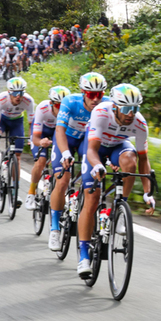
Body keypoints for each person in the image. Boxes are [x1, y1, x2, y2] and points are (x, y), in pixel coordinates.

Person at [75, 83, 154, 277]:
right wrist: (98, 166)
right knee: (92, 199)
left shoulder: (140, 122)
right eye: (127, 109)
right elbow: (91, 150)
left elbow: (144, 160)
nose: (131, 114)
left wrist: (148, 193)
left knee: (130, 161)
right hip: (96, 148)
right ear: (115, 106)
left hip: (118, 145)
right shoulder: (101, 112)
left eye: (135, 109)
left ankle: (120, 206)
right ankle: (84, 255)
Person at [47, 72, 108, 251]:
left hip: (86, 142)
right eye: (91, 95)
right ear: (83, 93)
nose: (96, 99)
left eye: (100, 94)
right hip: (67, 139)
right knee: (63, 180)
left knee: (94, 170)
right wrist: (65, 153)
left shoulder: (108, 104)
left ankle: (82, 194)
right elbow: (59, 130)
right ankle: (55, 228)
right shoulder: (70, 102)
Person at [25, 85, 71, 211]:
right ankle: (31, 193)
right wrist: (41, 142)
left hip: (58, 132)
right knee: (41, 161)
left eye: (64, 107)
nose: (61, 110)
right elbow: (35, 138)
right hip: (43, 132)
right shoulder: (42, 108)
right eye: (57, 106)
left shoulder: (70, 111)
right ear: (51, 103)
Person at [0, 77, 35, 181]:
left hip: (17, 122)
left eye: (21, 93)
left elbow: (32, 123)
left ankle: (14, 190)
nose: (18, 96)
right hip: (2, 120)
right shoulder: (1, 98)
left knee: (17, 156)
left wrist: (31, 139)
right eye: (14, 93)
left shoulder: (28, 101)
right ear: (9, 93)